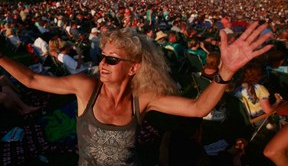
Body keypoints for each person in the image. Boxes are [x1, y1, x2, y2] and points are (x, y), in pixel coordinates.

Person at [0, 22, 272, 165]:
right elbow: (31, 78)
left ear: (134, 68)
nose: (102, 64)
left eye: (112, 60)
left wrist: (226, 72)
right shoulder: (86, 88)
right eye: (103, 57)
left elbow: (199, 108)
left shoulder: (144, 99)